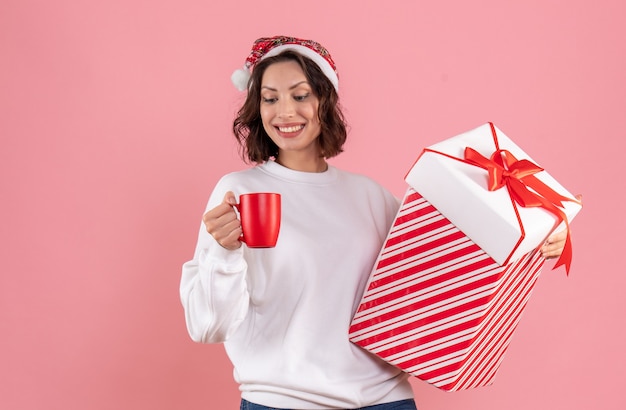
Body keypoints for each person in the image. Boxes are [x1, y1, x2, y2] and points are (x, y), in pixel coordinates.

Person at [179, 36, 570, 410]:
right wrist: (224, 254)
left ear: (324, 101)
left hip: (386, 400)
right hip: (283, 402)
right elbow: (207, 326)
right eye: (269, 98)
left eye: (300, 95)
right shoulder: (238, 192)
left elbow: (447, 257)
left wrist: (541, 231)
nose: (284, 112)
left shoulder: (368, 195)